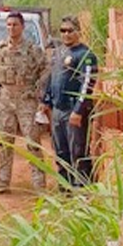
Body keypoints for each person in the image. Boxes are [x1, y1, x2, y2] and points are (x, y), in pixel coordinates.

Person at [0, 11, 48, 194]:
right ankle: (3, 181)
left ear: (22, 27)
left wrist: (38, 92)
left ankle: (39, 184)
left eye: (15, 25)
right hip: (6, 98)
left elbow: (45, 70)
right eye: (8, 25)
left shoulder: (32, 50)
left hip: (26, 100)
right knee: (5, 141)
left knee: (32, 141)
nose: (11, 28)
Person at [40, 16, 98, 188]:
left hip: (74, 111)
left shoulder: (86, 55)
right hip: (58, 109)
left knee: (78, 151)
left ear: (78, 32)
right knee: (60, 151)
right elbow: (52, 77)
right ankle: (65, 188)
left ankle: (81, 189)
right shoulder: (59, 52)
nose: (66, 34)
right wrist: (46, 100)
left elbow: (88, 83)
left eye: (70, 30)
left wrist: (79, 110)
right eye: (63, 31)